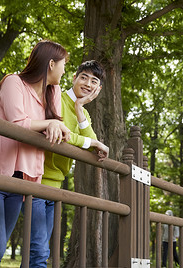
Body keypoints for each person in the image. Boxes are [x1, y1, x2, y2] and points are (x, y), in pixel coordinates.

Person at [0, 40, 71, 268]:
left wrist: (56, 126)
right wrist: (50, 123)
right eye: (64, 64)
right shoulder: (14, 82)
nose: (64, 70)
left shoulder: (54, 93)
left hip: (21, 181)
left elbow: (56, 129)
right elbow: (17, 123)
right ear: (51, 64)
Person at [28, 60, 109, 267]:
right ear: (73, 78)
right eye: (83, 77)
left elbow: (93, 146)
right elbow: (62, 134)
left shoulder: (84, 112)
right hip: (35, 180)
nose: (87, 84)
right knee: (38, 251)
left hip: (56, 187)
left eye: (94, 81)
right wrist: (89, 141)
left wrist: (80, 108)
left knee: (39, 250)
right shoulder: (55, 97)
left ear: (98, 89)